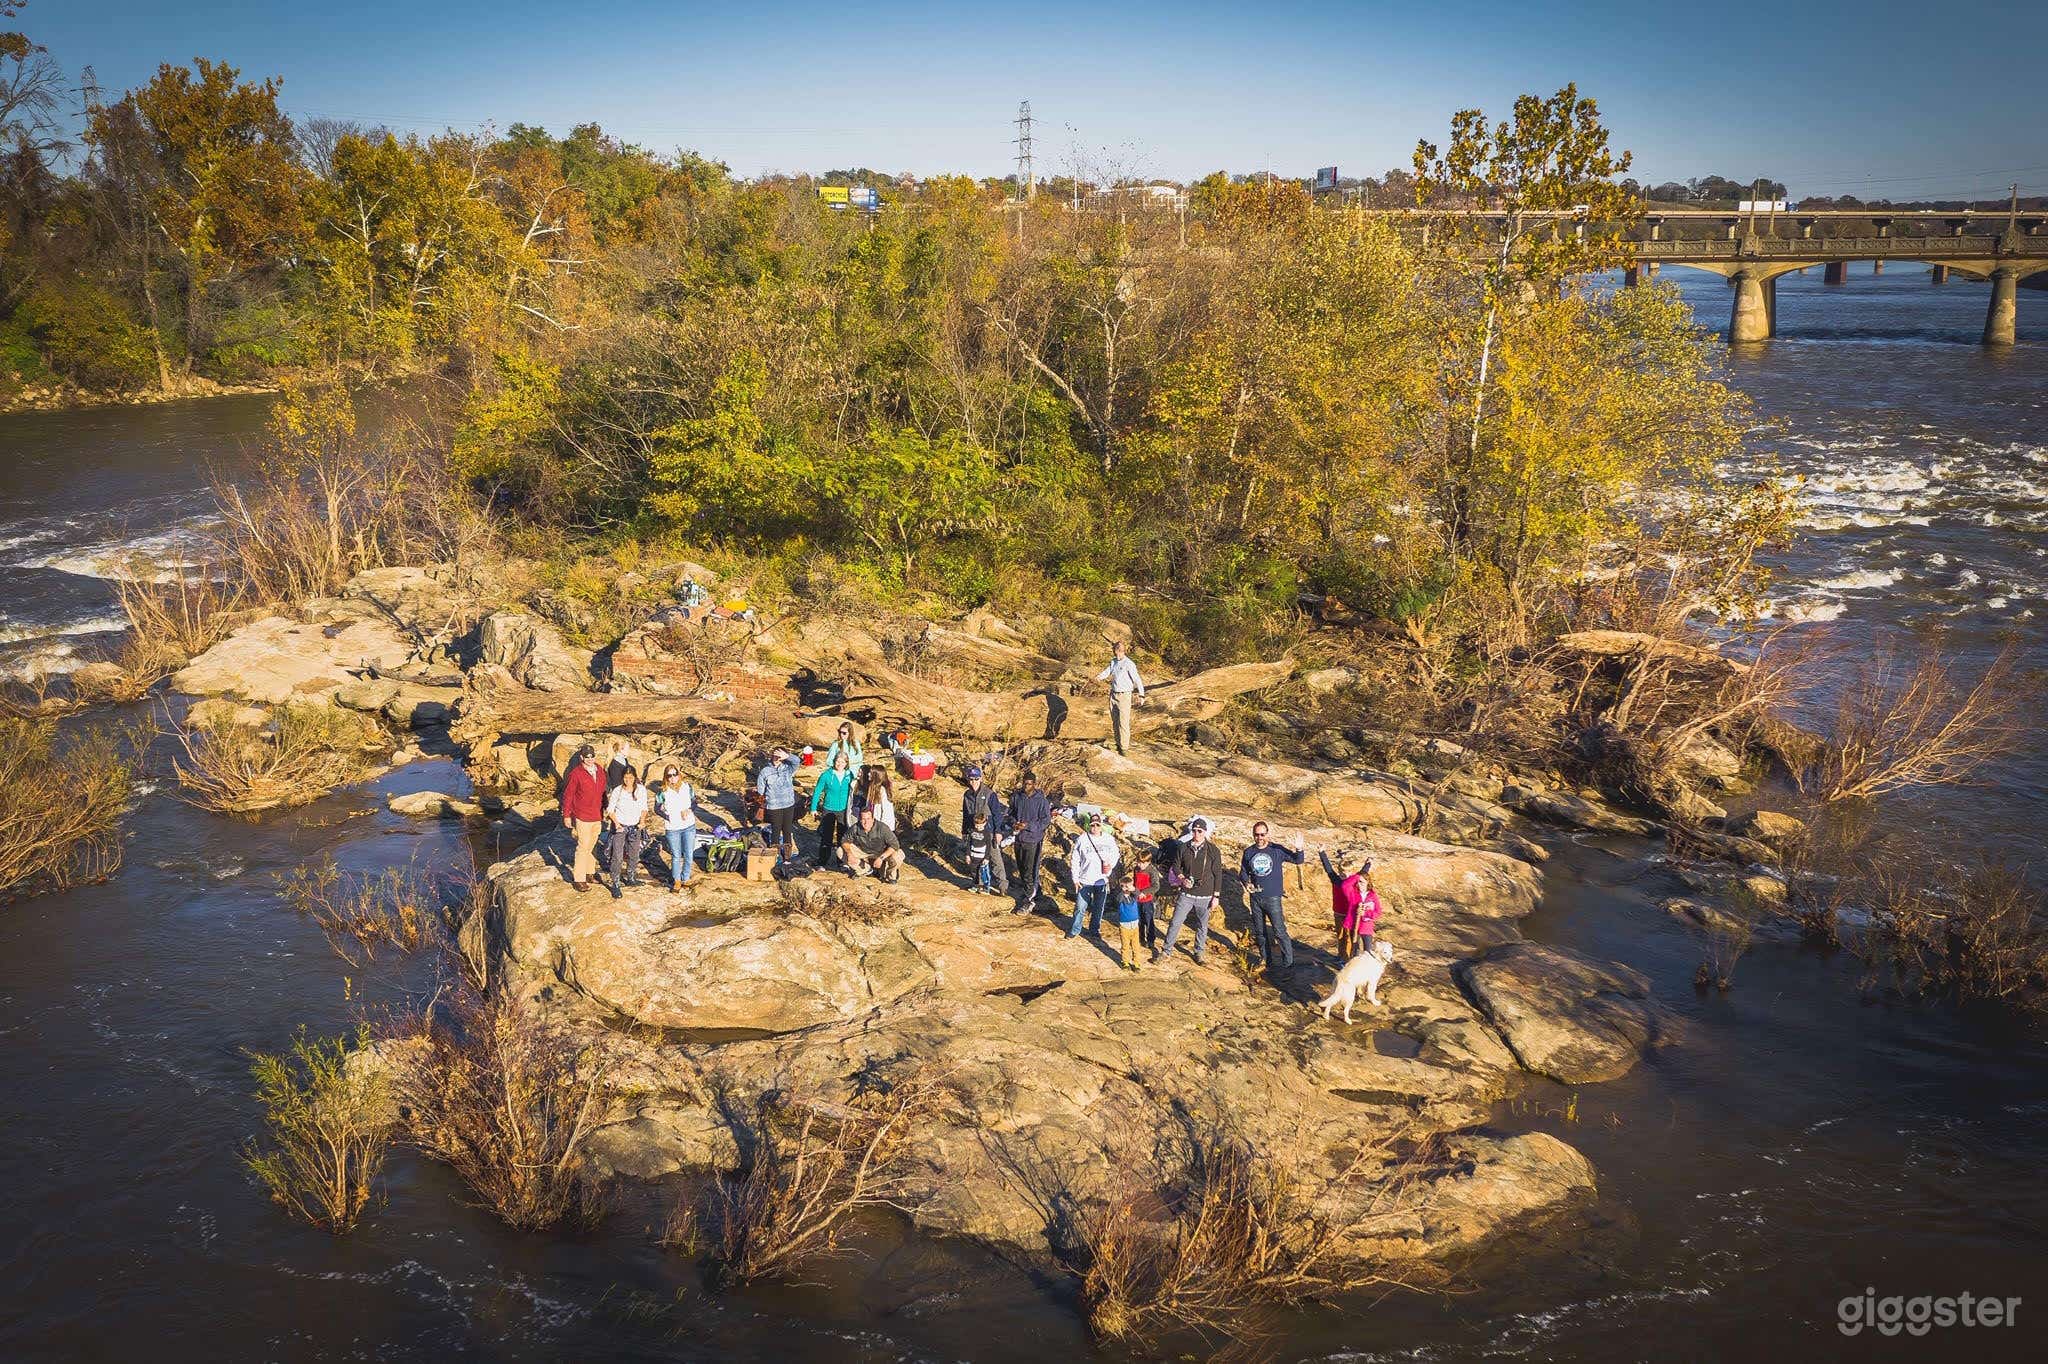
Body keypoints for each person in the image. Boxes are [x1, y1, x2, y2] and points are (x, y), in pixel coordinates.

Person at [1236, 821, 1306, 969]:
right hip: (1255, 898)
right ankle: (1266, 961)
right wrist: (1246, 883)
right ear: (1253, 835)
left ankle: (1288, 964)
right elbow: (1243, 872)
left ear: (1267, 834)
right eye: (1256, 834)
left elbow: (1298, 860)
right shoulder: (1249, 852)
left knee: (1279, 932)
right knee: (1260, 932)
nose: (1259, 838)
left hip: (1273, 898)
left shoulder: (1276, 850)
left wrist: (1299, 848)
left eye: (1262, 834)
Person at [1155, 817, 1223, 965]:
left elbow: (1218, 873)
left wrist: (1216, 896)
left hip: (1205, 895)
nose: (1197, 833)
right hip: (1186, 893)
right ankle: (1166, 951)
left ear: (1205, 832)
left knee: (1202, 926)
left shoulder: (1213, 850)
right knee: (1175, 922)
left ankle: (1199, 953)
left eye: (1200, 831)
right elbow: (1176, 866)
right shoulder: (1184, 847)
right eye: (1194, 830)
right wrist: (1182, 878)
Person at [559, 743, 606, 893]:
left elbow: (603, 792)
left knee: (593, 845)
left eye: (592, 756)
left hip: (597, 815)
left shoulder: (600, 770)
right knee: (583, 847)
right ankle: (579, 879)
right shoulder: (576, 773)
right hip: (582, 816)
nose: (590, 759)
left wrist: (607, 809)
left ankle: (589, 873)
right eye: (587, 757)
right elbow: (568, 795)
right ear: (582, 757)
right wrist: (567, 815)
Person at [1068, 812, 1121, 939]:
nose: (1095, 827)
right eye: (1092, 825)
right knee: (1080, 907)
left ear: (1101, 825)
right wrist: (1075, 878)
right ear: (1089, 826)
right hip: (1085, 879)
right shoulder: (1082, 839)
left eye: (1097, 825)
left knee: (1098, 907)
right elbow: (1075, 859)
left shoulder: (1108, 839)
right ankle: (1075, 930)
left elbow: (1116, 854)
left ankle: (1094, 930)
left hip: (1101, 880)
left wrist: (1110, 866)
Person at [1319, 847, 1379, 959]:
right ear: (1339, 872)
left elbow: (1363, 873)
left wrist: (1368, 863)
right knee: (1341, 937)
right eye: (1342, 874)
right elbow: (1328, 868)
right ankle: (1342, 957)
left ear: (1351, 873)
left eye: (1348, 874)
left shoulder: (1353, 880)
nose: (1345, 877)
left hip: (1351, 914)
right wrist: (1322, 853)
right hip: (1339, 914)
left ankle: (1352, 957)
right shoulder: (1336, 880)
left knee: (1353, 937)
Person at [1007, 771, 1053, 914]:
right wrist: (1014, 823)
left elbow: (1045, 820)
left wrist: (1028, 826)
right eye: (1024, 783)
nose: (1026, 786)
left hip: (1033, 839)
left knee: (1030, 870)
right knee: (1021, 868)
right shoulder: (1017, 797)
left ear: (1034, 784)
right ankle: (1032, 892)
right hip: (1019, 838)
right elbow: (1010, 813)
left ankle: (1028, 900)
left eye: (1029, 784)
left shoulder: (1042, 801)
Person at [959, 765, 1009, 896]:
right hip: (974, 832)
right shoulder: (967, 795)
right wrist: (964, 832)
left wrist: (998, 831)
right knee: (976, 859)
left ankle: (1002, 887)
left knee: (995, 859)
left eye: (976, 778)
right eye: (971, 779)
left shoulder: (989, 794)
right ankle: (979, 884)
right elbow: (966, 815)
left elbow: (997, 814)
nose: (973, 782)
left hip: (989, 832)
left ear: (980, 778)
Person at [604, 766, 649, 898]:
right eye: (625, 777)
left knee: (634, 853)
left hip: (635, 826)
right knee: (617, 856)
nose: (628, 780)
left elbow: (644, 807)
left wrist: (642, 821)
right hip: (620, 826)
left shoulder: (641, 790)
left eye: (630, 777)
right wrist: (617, 824)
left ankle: (631, 877)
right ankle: (615, 883)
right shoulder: (617, 791)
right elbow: (610, 809)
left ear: (635, 777)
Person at [1096, 639, 1147, 756]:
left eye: (1119, 650)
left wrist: (1141, 695)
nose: (1117, 653)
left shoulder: (1129, 664)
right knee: (1115, 720)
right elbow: (1107, 672)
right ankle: (1118, 743)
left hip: (1125, 695)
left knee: (1123, 722)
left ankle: (1124, 748)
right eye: (1116, 650)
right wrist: (1098, 677)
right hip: (1113, 694)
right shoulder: (1113, 661)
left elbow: (1137, 680)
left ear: (1122, 651)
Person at [655, 765, 697, 892]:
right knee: (676, 855)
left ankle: (686, 877)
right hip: (673, 828)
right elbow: (657, 809)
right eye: (669, 775)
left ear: (679, 775)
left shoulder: (687, 787)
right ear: (666, 777)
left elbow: (694, 802)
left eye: (675, 774)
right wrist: (668, 817)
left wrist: (689, 810)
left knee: (689, 853)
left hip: (689, 825)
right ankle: (677, 880)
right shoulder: (662, 792)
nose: (673, 777)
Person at [809, 751, 856, 864]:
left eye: (843, 762)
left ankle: (841, 861)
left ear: (846, 763)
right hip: (828, 808)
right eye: (837, 761)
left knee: (843, 836)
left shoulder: (849, 775)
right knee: (827, 835)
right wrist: (813, 808)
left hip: (843, 809)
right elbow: (817, 791)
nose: (840, 764)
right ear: (834, 761)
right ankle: (823, 860)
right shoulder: (826, 775)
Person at [756, 746, 802, 864]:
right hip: (774, 805)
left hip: (788, 804)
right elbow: (760, 789)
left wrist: (787, 756)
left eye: (779, 755)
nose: (777, 758)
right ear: (771, 756)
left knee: (787, 830)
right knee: (775, 829)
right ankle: (775, 856)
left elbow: (797, 761)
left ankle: (787, 858)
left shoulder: (788, 768)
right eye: (775, 755)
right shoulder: (765, 771)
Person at [841, 806, 904, 882]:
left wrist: (881, 858)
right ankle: (865, 870)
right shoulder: (855, 827)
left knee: (898, 856)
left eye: (868, 819)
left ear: (873, 819)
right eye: (863, 819)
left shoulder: (882, 828)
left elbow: (895, 845)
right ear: (859, 820)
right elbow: (844, 841)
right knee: (840, 851)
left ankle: (891, 876)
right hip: (864, 852)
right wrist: (849, 854)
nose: (866, 822)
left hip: (882, 853)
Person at [1113, 874, 1143, 971]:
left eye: (1128, 886)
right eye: (1124, 886)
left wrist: (1132, 889)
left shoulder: (1133, 896)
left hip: (1135, 925)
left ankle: (1136, 963)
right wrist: (1123, 891)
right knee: (1125, 945)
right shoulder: (1121, 897)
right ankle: (1125, 962)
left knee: (1136, 946)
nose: (1127, 888)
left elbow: (1138, 893)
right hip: (1124, 926)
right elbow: (1118, 899)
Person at [964, 810, 999, 892]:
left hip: (982, 857)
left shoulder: (986, 833)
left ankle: (985, 888)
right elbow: (969, 843)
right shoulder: (972, 831)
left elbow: (988, 847)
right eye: (976, 825)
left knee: (984, 873)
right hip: (973, 856)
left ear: (985, 823)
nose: (978, 827)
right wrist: (967, 855)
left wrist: (986, 858)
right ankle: (975, 885)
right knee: (973, 872)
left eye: (980, 825)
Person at [1132, 862, 1158, 950]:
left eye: (1142, 863)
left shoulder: (1152, 871)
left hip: (1148, 900)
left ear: (1148, 862)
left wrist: (1145, 892)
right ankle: (1140, 938)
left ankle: (1150, 940)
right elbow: (1135, 883)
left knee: (1148, 920)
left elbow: (1155, 886)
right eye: (1139, 863)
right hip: (1137, 899)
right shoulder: (1136, 869)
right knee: (1139, 920)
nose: (1140, 865)